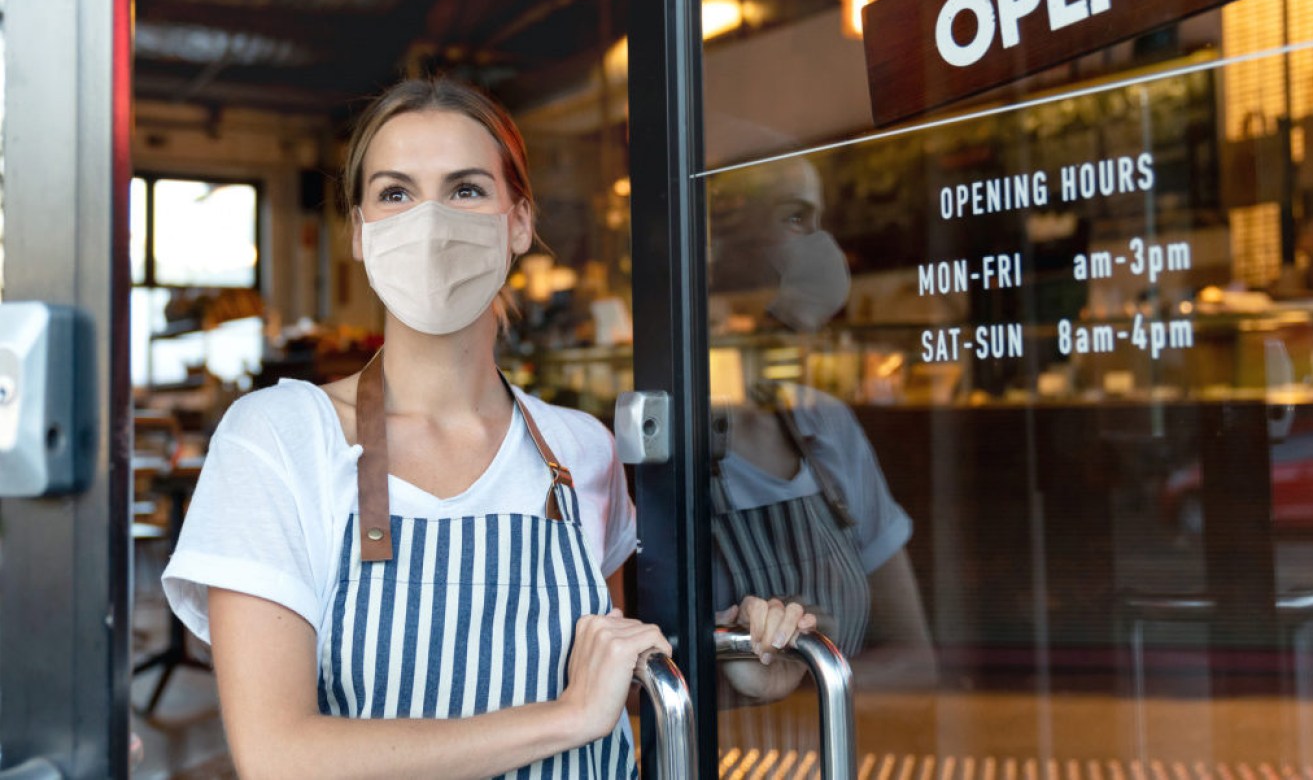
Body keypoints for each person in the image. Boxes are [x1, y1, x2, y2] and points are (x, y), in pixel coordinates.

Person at [161, 77, 811, 779]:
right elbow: (279, 757)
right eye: (395, 193)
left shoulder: (578, 450)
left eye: (466, 189)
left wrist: (741, 664)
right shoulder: (279, 439)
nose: (430, 221)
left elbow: (613, 681)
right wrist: (562, 720)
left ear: (519, 223)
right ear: (358, 231)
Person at [706, 157, 937, 706]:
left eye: (817, 221)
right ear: (721, 240)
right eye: (794, 218)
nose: (818, 245)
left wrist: (806, 677)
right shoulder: (656, 449)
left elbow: (916, 660)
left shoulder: (826, 424)